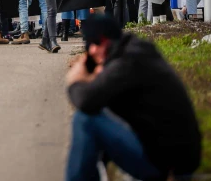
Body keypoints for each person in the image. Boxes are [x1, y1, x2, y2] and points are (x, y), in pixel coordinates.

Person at [65, 14, 201, 180]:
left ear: (110, 39)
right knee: (98, 113)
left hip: (166, 165)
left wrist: (75, 82)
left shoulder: (127, 62)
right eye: (90, 44)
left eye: (98, 42)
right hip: (171, 156)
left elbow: (86, 101)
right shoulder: (134, 51)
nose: (92, 50)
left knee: (85, 119)